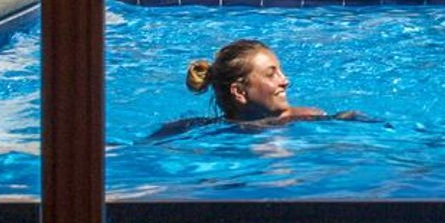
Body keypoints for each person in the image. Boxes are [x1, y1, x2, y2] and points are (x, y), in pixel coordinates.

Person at [153, 38, 364, 137]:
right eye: (271, 74)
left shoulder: (308, 118)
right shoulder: (200, 130)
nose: (285, 80)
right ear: (239, 92)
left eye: (280, 71)